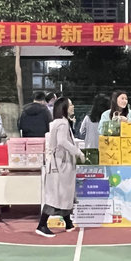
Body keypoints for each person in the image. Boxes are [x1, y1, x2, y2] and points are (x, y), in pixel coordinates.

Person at [37, 97, 85, 237]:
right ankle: (42, 225)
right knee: (57, 194)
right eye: (70, 104)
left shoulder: (59, 122)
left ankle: (68, 222)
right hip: (60, 164)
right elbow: (62, 141)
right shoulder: (62, 124)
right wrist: (78, 152)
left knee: (63, 193)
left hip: (59, 163)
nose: (73, 106)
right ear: (64, 107)